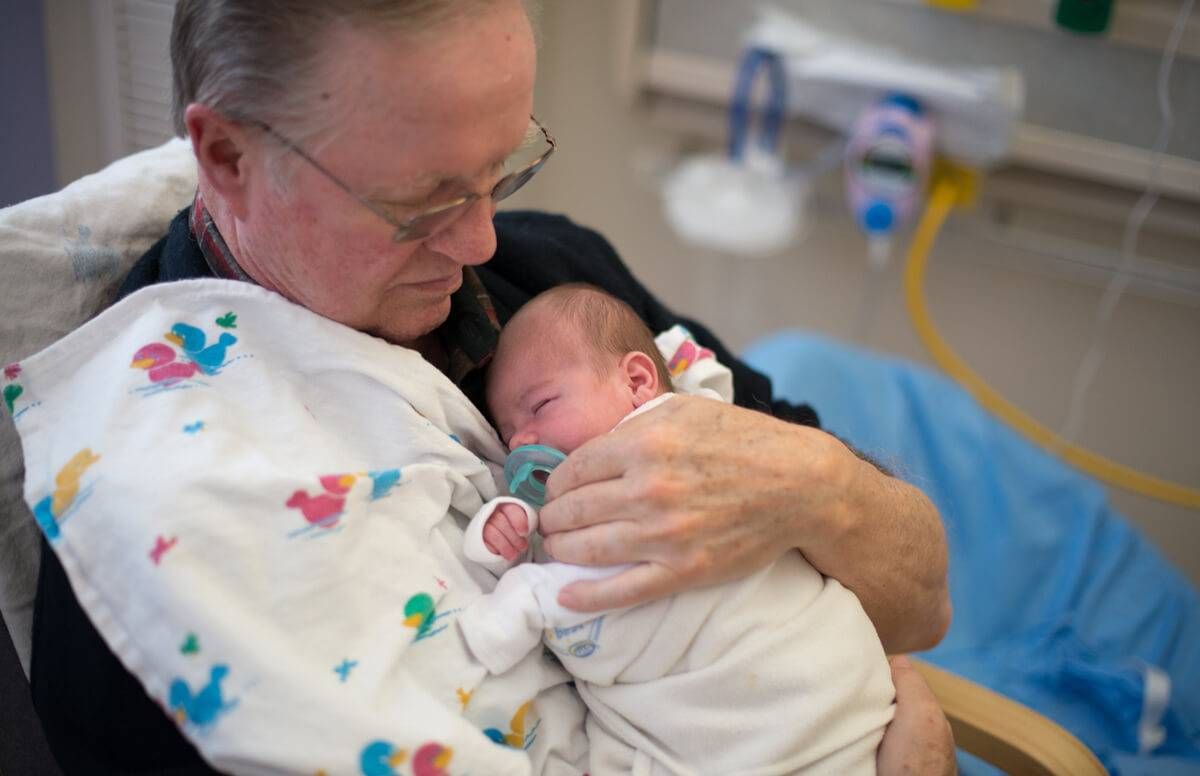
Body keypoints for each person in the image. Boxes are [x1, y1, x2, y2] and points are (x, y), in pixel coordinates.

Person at [25, 0, 953, 773]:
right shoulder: (149, 548)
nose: (479, 243)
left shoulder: (554, 283)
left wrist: (819, 491)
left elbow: (922, 602)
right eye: (423, 203)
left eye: (501, 170)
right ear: (227, 157)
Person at [458, 283, 896, 774]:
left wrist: (526, 593)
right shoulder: (549, 497)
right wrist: (506, 532)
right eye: (507, 433)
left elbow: (611, 577)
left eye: (540, 406)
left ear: (638, 383)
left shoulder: (683, 432)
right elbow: (538, 549)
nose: (523, 439)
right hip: (704, 733)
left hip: (796, 691)